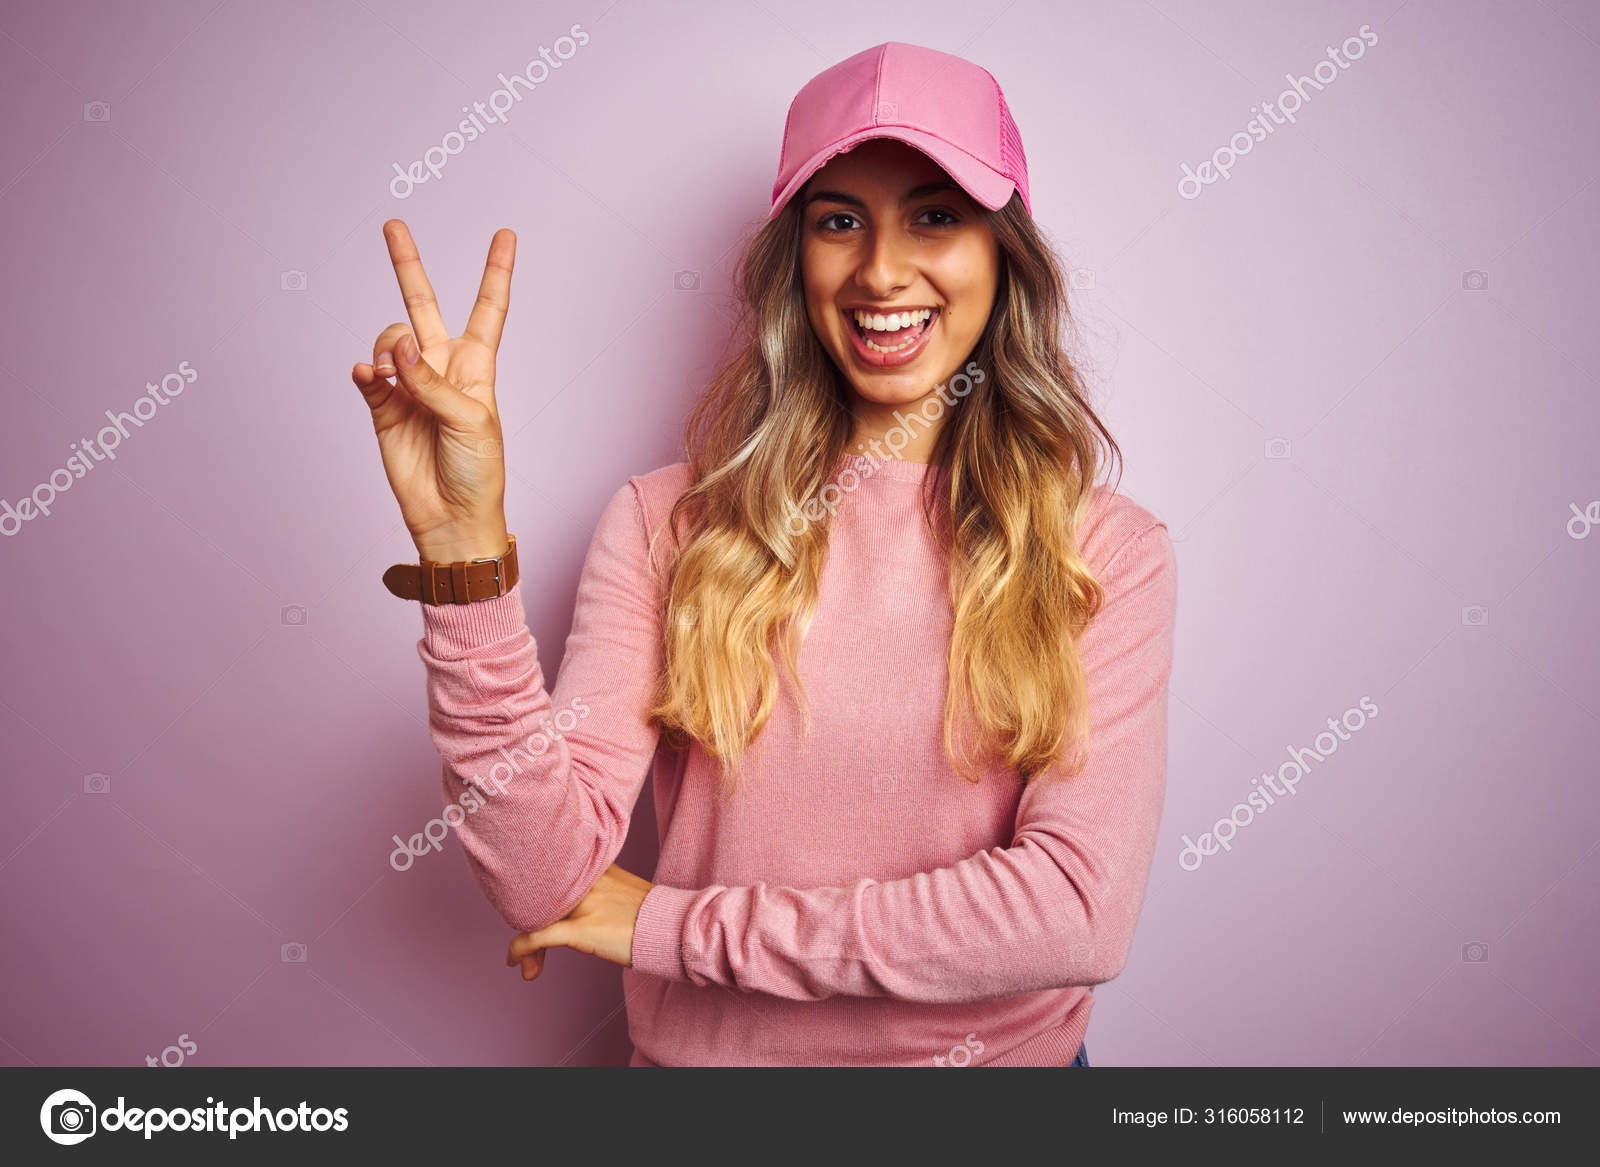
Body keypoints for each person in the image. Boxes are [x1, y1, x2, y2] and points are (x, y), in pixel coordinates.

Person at [350, 42, 1175, 1068]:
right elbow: (539, 877)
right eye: (839, 221)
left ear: (1004, 254)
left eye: (934, 215)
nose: (880, 270)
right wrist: (461, 550)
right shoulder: (668, 523)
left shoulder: (1107, 553)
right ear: (795, 262)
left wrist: (676, 931)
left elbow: (1073, 914)